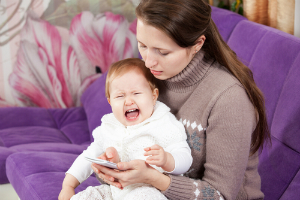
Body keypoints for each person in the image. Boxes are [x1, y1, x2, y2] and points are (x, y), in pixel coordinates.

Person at [91, 0, 271, 199]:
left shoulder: (228, 99)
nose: (148, 61)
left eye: (163, 52)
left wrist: (152, 179)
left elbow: (220, 195)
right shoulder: (152, 76)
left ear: (197, 44)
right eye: (142, 45)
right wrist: (111, 170)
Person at [58, 58, 193, 200]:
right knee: (88, 196)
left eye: (136, 93)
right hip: (116, 191)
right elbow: (88, 157)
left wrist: (167, 160)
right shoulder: (110, 126)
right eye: (120, 96)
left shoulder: (163, 121)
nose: (129, 101)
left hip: (150, 189)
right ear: (110, 102)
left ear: (153, 96)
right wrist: (68, 186)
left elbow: (185, 158)